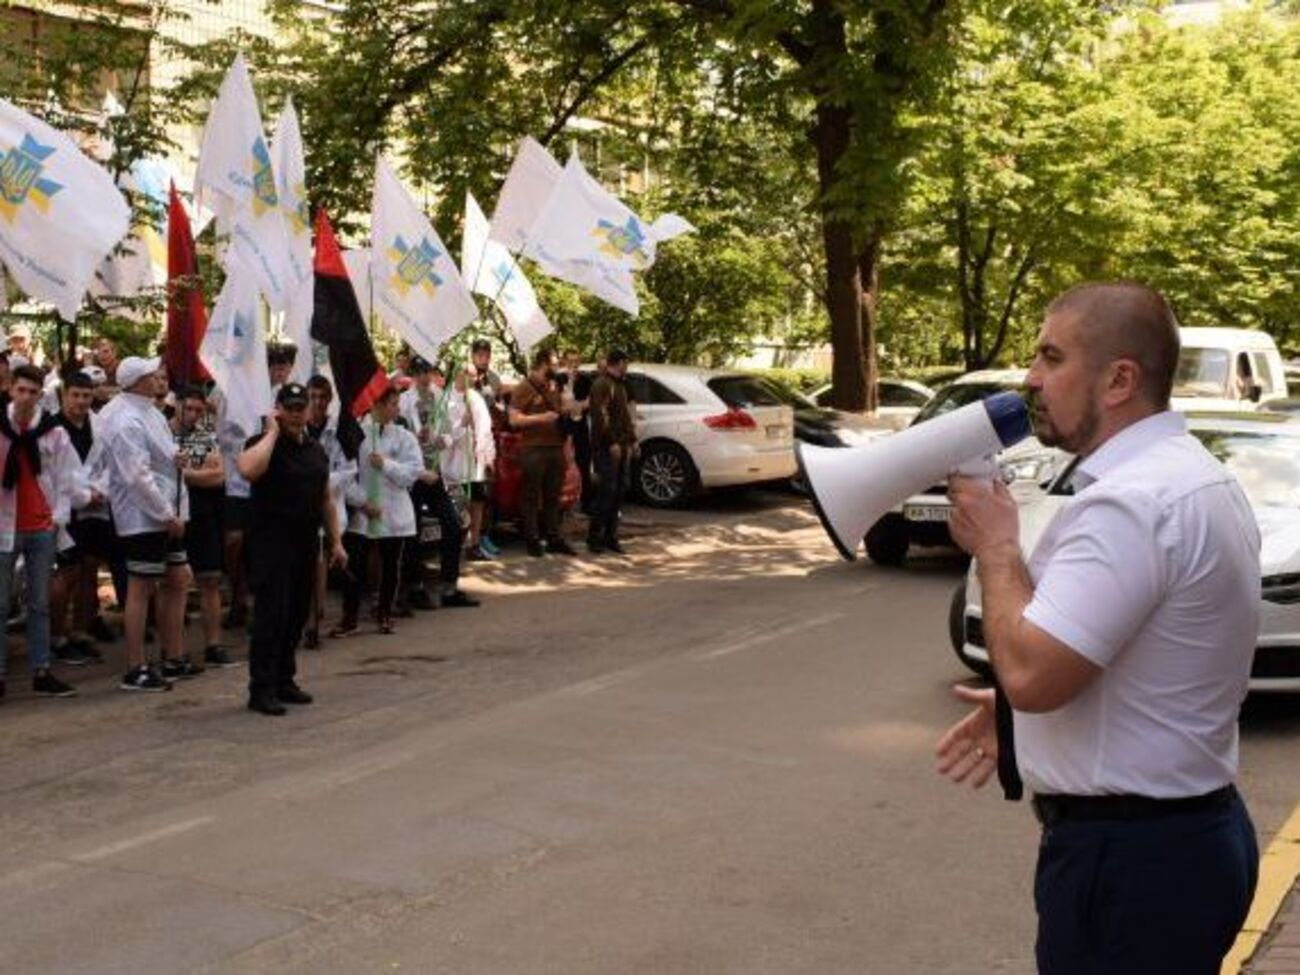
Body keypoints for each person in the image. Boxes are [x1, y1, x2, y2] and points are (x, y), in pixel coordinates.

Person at [936, 283, 1260, 975]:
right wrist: (1023, 722)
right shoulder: (1189, 477)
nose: (1031, 378)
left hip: (1132, 866)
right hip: (1179, 845)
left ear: (1119, 379)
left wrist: (997, 548)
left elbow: (1032, 675)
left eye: (1051, 358)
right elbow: (1146, 656)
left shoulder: (1131, 503)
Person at [237, 383, 347, 716]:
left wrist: (337, 541)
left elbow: (325, 498)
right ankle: (262, 689)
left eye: (303, 407)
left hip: (304, 541)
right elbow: (247, 470)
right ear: (279, 410)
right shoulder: (263, 444)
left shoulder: (314, 449)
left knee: (297, 614)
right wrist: (271, 432)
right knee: (272, 615)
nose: (299, 414)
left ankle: (285, 679)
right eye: (292, 408)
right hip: (271, 542)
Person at [99, 356, 197, 692]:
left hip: (166, 509)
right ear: (139, 381)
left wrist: (175, 457)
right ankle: (135, 666)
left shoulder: (151, 411)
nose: (160, 378)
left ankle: (173, 655)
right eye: (153, 375)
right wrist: (165, 514)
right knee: (141, 587)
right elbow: (137, 477)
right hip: (143, 516)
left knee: (179, 578)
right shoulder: (125, 419)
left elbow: (161, 454)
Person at [0, 365, 83, 701]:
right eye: (21, 390)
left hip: (40, 526)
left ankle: (42, 670)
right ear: (11, 390)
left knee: (39, 603)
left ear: (40, 395)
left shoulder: (52, 431)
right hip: (4, 526)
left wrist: (59, 516)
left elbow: (69, 477)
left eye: (33, 392)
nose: (27, 397)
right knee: (1, 604)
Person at [335, 385, 424, 636]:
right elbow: (345, 476)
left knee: (390, 566)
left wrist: (386, 464)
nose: (397, 409)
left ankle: (385, 613)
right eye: (393, 404)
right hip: (363, 513)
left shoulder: (404, 436)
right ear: (377, 405)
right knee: (354, 567)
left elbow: (411, 474)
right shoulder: (357, 435)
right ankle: (349, 618)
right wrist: (362, 502)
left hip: (393, 512)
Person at [49, 371, 112, 666]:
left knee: (89, 568)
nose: (81, 401)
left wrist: (99, 491)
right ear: (64, 395)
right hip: (64, 506)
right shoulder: (51, 427)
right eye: (75, 395)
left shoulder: (98, 425)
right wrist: (79, 494)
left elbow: (108, 462)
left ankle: (80, 631)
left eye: (87, 396)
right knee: (67, 573)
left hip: (95, 504)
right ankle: (57, 636)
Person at [175, 386, 237, 669]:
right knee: (173, 585)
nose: (193, 415)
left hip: (206, 517)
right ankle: (175, 651)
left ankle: (214, 645)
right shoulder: (163, 432)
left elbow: (219, 475)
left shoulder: (206, 436)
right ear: (177, 406)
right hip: (174, 518)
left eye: (199, 410)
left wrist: (184, 473)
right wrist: (200, 473)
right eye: (188, 408)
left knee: (210, 581)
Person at [508, 347, 576, 558]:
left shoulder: (554, 385)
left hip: (556, 447)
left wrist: (569, 393)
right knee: (531, 496)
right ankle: (532, 539)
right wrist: (540, 418)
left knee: (553, 496)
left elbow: (563, 410)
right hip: (533, 449)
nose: (556, 368)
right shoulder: (523, 388)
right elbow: (513, 420)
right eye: (554, 364)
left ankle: (554, 538)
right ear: (543, 365)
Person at [303, 375, 353, 649]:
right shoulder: (296, 428)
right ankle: (308, 615)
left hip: (329, 504)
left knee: (321, 557)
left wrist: (323, 481)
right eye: (313, 397)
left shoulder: (339, 431)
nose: (318, 403)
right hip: (300, 505)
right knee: (307, 563)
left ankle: (315, 622)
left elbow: (349, 470)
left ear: (330, 399)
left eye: (323, 397)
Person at [586, 350, 636, 554]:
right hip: (607, 448)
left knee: (619, 492)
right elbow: (600, 416)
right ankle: (594, 537)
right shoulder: (602, 384)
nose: (627, 366)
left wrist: (633, 441)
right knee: (606, 492)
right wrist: (611, 442)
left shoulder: (621, 385)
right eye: (626, 362)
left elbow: (625, 417)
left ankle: (611, 536)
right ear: (619, 363)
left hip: (623, 445)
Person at [561, 349, 595, 515]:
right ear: (565, 362)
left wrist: (578, 406)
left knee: (584, 462)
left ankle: (586, 503)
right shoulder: (559, 379)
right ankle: (563, 503)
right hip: (564, 427)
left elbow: (591, 400)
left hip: (581, 426)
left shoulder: (586, 379)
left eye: (576, 361)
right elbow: (557, 402)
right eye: (570, 361)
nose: (573, 365)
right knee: (563, 464)